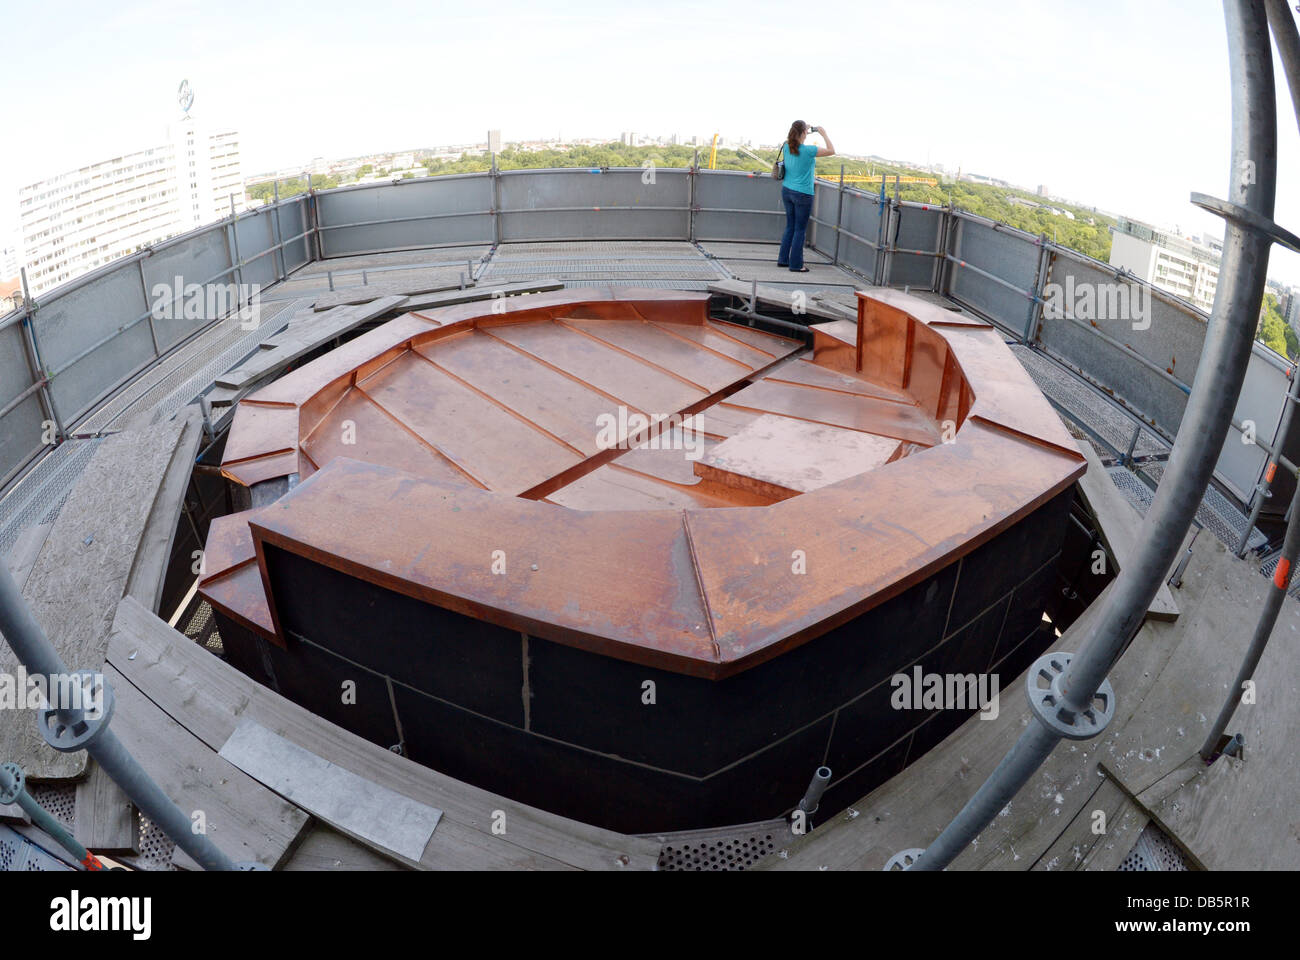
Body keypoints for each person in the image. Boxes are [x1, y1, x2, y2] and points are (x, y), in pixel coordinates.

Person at [777, 121, 835, 272]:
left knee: (790, 226)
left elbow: (795, 141)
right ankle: (796, 265)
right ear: (804, 133)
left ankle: (783, 260)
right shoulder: (810, 150)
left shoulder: (786, 146)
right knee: (800, 230)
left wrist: (803, 128)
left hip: (787, 190)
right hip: (803, 194)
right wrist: (823, 133)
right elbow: (831, 150)